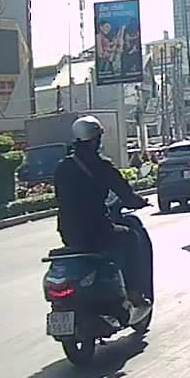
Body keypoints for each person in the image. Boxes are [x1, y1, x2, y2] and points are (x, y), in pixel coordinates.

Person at [54, 115, 151, 304]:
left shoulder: (63, 166)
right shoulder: (101, 165)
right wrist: (140, 202)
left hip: (68, 232)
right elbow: (126, 195)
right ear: (95, 139)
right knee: (131, 237)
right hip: (97, 229)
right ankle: (133, 291)